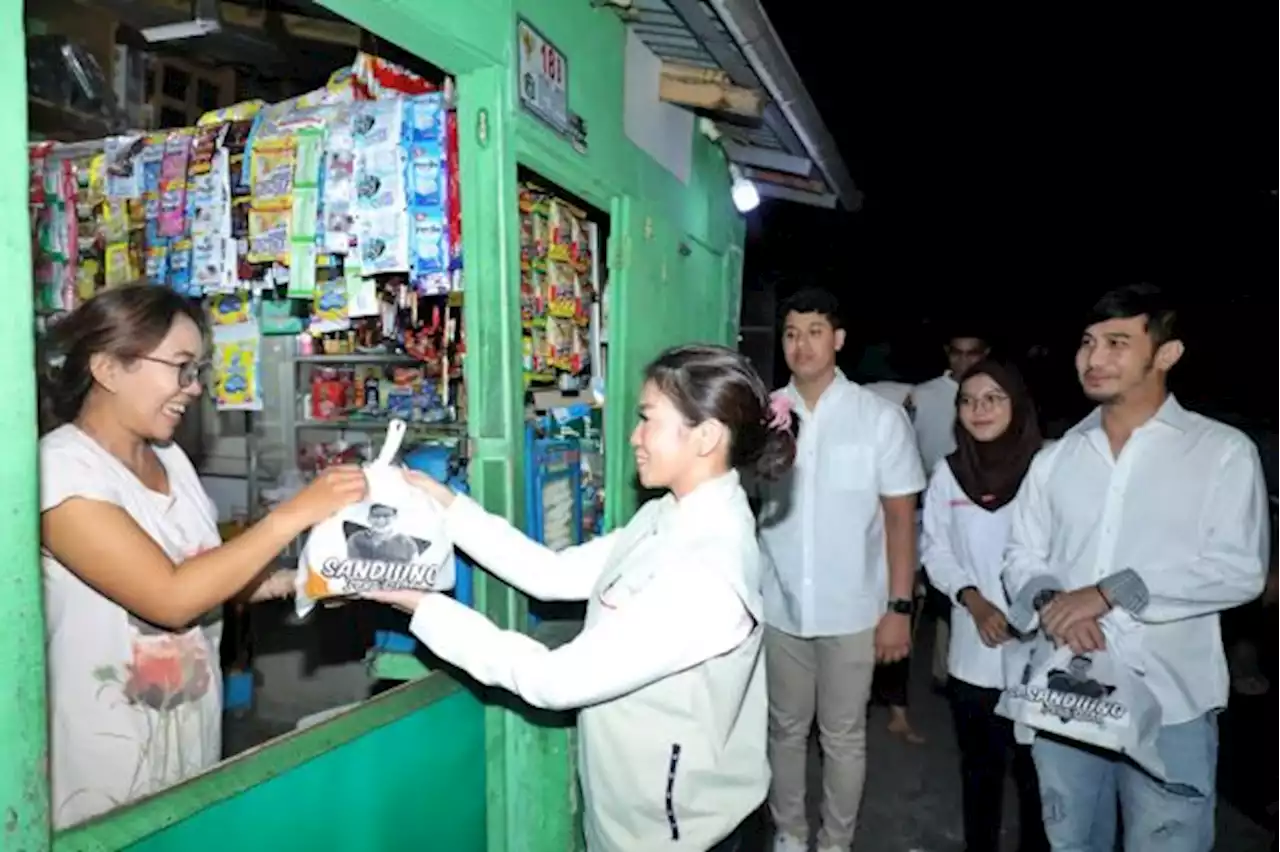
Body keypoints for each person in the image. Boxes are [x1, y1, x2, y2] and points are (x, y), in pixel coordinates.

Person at [363, 344, 792, 852]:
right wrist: (448, 507)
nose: (634, 436)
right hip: (635, 816)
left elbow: (553, 681)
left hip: (684, 835)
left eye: (647, 419)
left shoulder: (706, 573)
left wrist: (422, 605)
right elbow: (553, 574)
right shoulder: (670, 515)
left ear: (706, 436)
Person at [38, 284, 367, 829]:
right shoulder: (61, 471)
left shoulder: (170, 459)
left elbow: (206, 574)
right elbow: (169, 597)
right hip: (101, 763)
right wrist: (295, 513)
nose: (193, 389)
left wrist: (301, 579)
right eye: (181, 367)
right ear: (108, 368)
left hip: (188, 740)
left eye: (199, 371)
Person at [1003, 283, 1268, 852]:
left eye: (1118, 342)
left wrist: (1110, 592)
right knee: (1071, 842)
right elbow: (1022, 555)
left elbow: (1240, 569)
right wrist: (1054, 604)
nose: (1094, 359)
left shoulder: (1220, 452)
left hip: (1171, 700)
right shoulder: (1057, 458)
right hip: (1066, 695)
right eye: (1087, 342)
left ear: (1166, 354)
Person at [757, 289, 926, 852]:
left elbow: (901, 519)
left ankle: (836, 842)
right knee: (783, 729)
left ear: (839, 339)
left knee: (844, 735)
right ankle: (789, 833)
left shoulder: (877, 418)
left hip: (854, 608)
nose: (801, 344)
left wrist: (898, 609)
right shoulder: (763, 414)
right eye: (790, 332)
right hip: (779, 604)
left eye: (814, 330)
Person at [921, 359, 1048, 852]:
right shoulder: (949, 473)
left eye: (993, 397)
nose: (980, 409)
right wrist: (972, 601)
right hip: (973, 651)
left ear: (1017, 404)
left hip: (1040, 651)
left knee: (1037, 778)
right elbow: (936, 549)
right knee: (980, 772)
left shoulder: (1049, 468)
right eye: (969, 400)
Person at [912, 330, 991, 695]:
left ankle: (952, 674)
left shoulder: (996, 395)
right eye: (957, 353)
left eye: (972, 353)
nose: (965, 361)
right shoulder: (924, 396)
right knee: (932, 590)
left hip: (982, 509)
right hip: (930, 506)